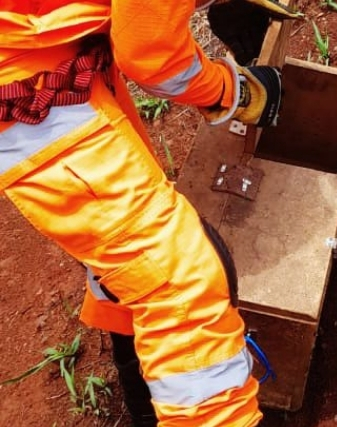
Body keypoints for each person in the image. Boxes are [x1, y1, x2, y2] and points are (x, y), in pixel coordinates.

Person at [0, 0, 299, 425]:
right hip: (22, 85)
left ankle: (142, 399)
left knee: (127, 251)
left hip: (50, 45)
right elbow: (152, 57)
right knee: (177, 280)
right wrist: (234, 92)